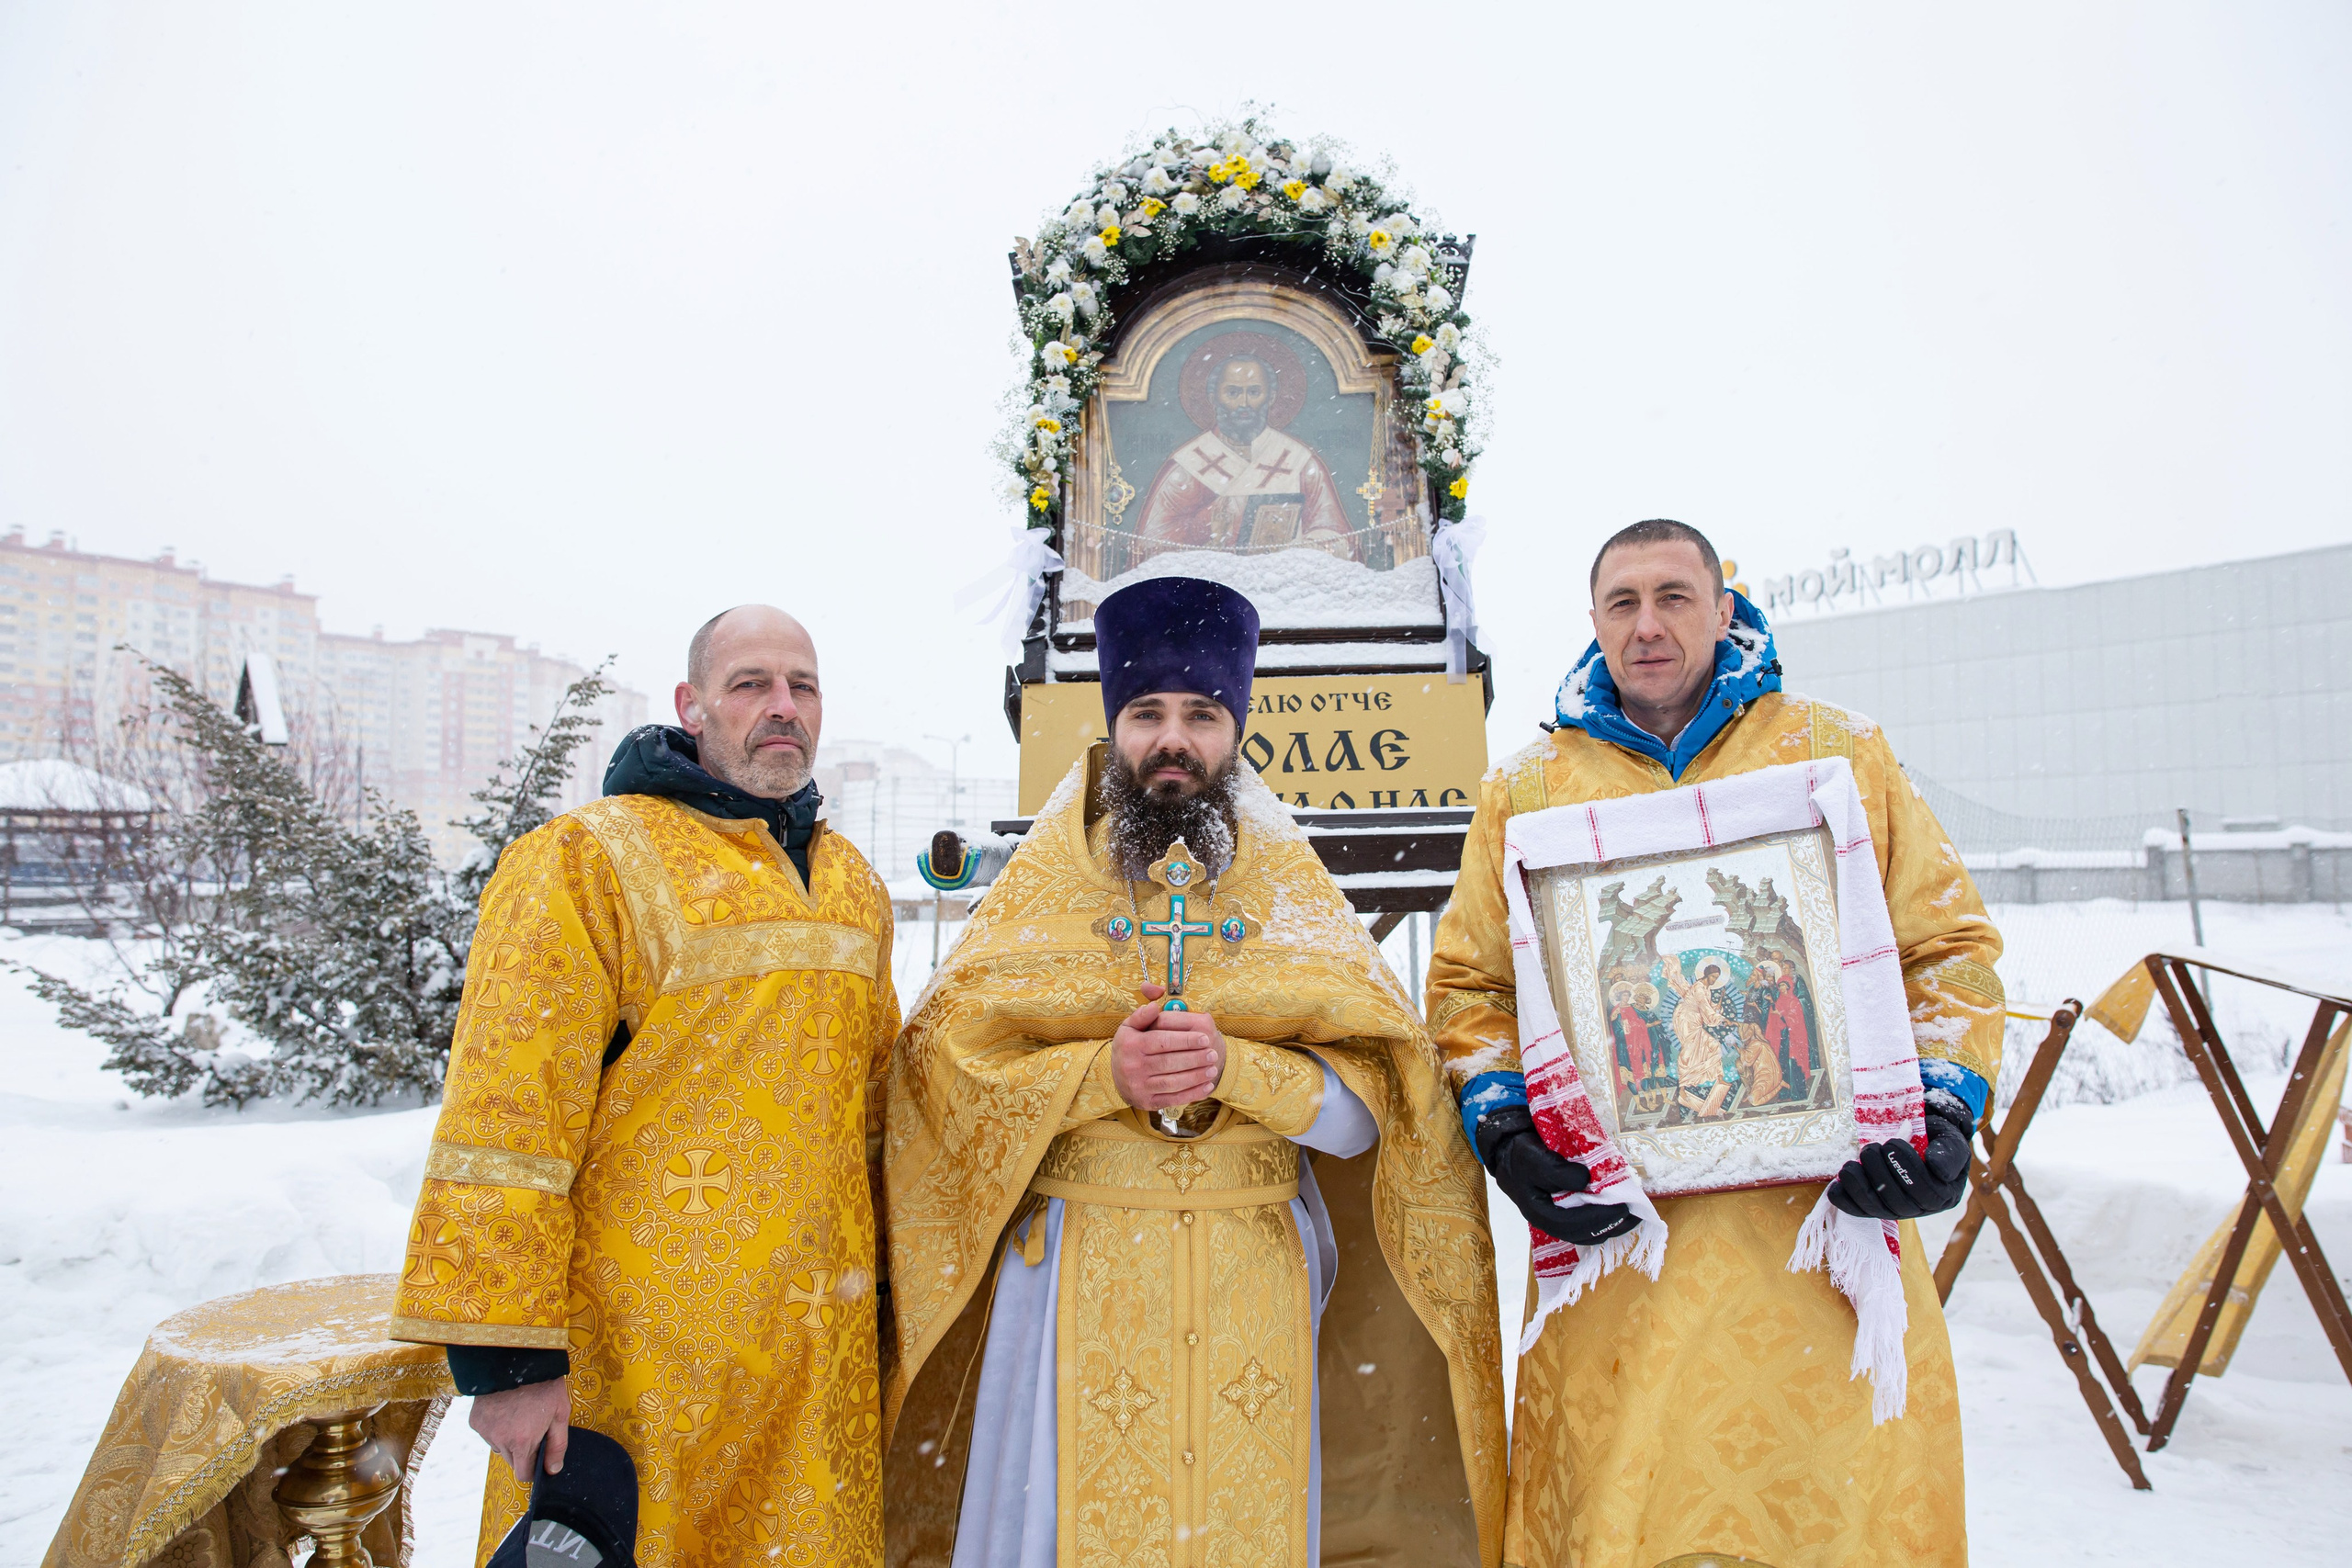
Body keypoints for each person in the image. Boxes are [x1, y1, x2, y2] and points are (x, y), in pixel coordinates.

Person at [880, 576, 1504, 1568]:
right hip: (1072, 1275)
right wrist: (1100, 1075)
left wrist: (1240, 1068)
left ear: (1235, 729)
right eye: (1147, 714)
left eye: (1201, 715)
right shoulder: (1041, 894)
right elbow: (941, 1082)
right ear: (1114, 724)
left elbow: (1382, 1108)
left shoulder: (1290, 892)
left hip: (1248, 1272)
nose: (1173, 740)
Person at [1426, 519, 2004, 1567]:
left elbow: (1947, 951)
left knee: (1824, 1510)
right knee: (1628, 1506)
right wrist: (1504, 1124)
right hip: (1624, 1256)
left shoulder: (1835, 754)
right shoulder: (1529, 790)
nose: (1647, 626)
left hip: (1821, 1237)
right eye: (1622, 603)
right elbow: (1471, 987)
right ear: (1594, 622)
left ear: (1725, 608)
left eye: (1674, 597)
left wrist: (1944, 1107)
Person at [391, 605, 899, 1568]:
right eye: (750, 683)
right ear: (692, 705)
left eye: (803, 686)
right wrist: (510, 1364)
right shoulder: (588, 863)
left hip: (814, 1355)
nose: (781, 707)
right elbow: (507, 1113)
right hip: (639, 1363)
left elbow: (877, 1111)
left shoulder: (851, 886)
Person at [1131, 337, 1356, 560]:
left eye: (1254, 392)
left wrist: (1299, 551)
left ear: (1272, 397)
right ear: (1213, 398)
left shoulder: (1300, 462)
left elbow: (1336, 536)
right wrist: (1206, 525)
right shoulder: (1188, 466)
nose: (1244, 404)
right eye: (1233, 392)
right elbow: (1152, 547)